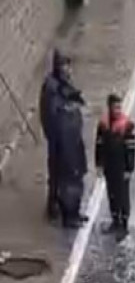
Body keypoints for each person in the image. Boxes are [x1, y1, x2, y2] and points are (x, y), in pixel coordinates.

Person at [38, 49, 83, 222]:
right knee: (58, 174)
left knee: (67, 173)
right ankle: (55, 207)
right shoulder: (51, 88)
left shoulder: (63, 83)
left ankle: (66, 207)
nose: (68, 69)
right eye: (65, 65)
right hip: (59, 140)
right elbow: (50, 114)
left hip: (69, 139)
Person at [95, 93, 135, 235]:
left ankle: (123, 225)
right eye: (115, 108)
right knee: (112, 194)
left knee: (123, 196)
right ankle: (115, 220)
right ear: (110, 108)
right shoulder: (103, 125)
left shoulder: (127, 126)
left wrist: (129, 168)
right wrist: (99, 164)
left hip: (122, 167)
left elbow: (131, 149)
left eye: (119, 107)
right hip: (109, 166)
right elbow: (99, 145)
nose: (118, 110)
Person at [56, 88, 89, 229]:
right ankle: (69, 218)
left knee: (77, 189)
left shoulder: (74, 116)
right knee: (69, 191)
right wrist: (73, 166)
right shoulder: (64, 122)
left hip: (77, 158)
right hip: (68, 162)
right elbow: (66, 147)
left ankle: (75, 214)